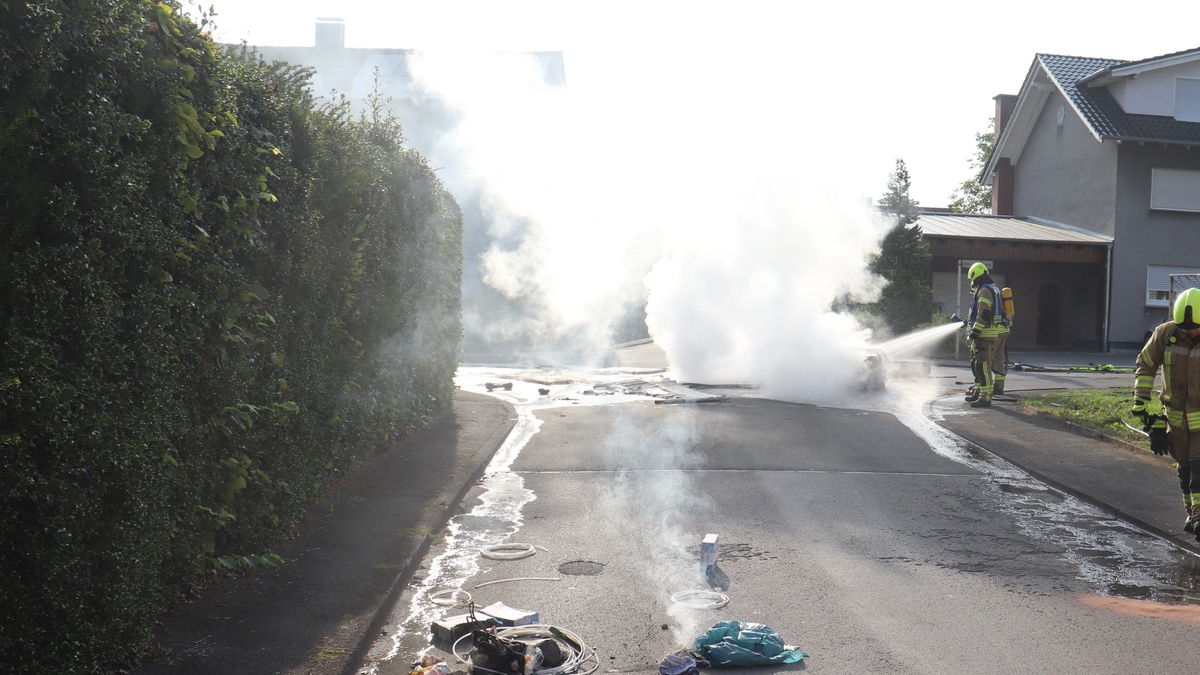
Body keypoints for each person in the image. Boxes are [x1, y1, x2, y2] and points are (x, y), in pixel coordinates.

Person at [1133, 287, 1200, 538]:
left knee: (1199, 469)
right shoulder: (1166, 334)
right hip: (1175, 421)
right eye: (1185, 327)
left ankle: (1198, 517)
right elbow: (1146, 365)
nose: (1189, 332)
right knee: (1184, 469)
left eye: (1194, 327)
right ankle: (1191, 511)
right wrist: (1147, 413)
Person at [963, 262, 1002, 408]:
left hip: (984, 335)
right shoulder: (987, 288)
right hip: (983, 334)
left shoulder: (985, 290)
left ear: (975, 275)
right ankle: (979, 391)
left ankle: (985, 397)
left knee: (983, 367)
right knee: (977, 365)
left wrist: (975, 332)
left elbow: (984, 313)